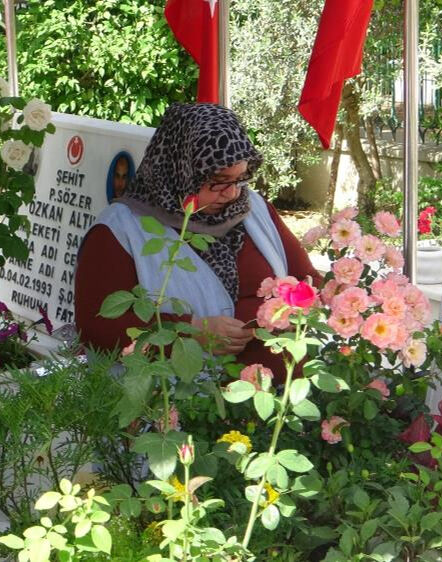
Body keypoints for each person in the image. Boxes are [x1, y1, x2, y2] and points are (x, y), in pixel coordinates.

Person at [75, 103, 319, 375]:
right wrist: (190, 332)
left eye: (239, 179)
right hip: (178, 404)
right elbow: (96, 328)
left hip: (274, 400)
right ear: (180, 170)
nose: (231, 194)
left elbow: (306, 279)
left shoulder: (254, 210)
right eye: (218, 181)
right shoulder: (120, 230)